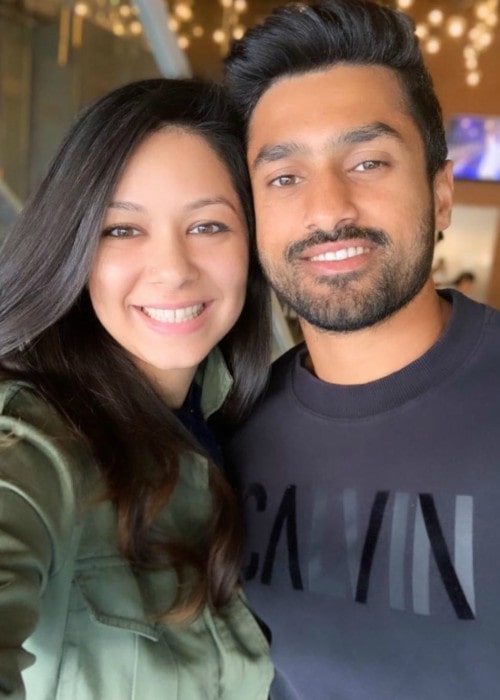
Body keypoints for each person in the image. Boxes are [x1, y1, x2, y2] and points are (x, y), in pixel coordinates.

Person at [222, 1, 500, 698]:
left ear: (440, 196)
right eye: (284, 177)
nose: (328, 209)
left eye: (369, 160)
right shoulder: (228, 423)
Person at [0, 78, 273, 699]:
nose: (174, 269)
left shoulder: (231, 425)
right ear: (72, 244)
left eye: (208, 226)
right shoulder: (31, 440)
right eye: (122, 230)